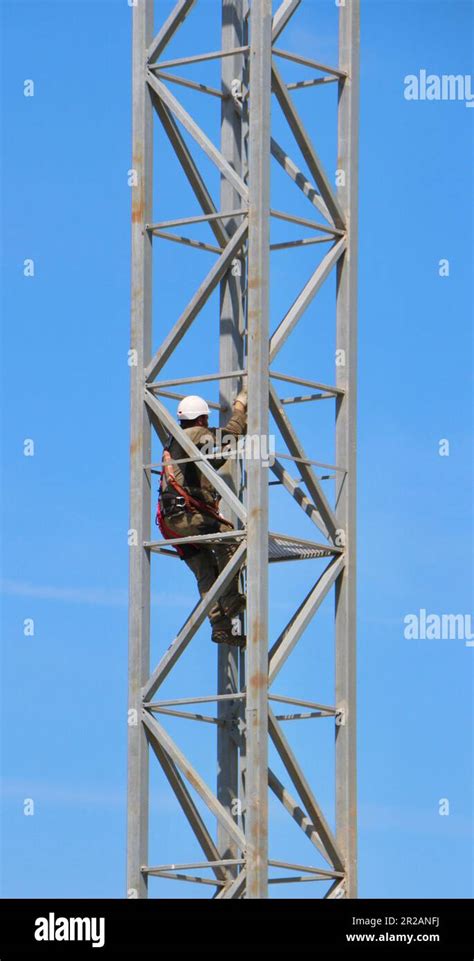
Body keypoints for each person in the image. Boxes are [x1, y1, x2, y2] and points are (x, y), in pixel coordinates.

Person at [156, 389, 247, 647]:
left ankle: (220, 626)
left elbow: (212, 460)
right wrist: (239, 413)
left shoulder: (175, 441)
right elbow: (226, 440)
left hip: (171, 524)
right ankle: (230, 599)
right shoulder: (196, 433)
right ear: (201, 420)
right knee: (230, 542)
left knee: (206, 570)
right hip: (189, 517)